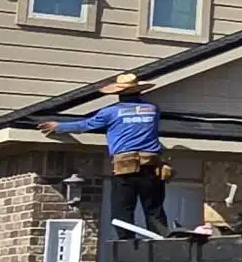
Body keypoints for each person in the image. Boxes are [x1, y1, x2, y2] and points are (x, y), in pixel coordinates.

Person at [40, 74, 170, 232]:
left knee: (123, 211)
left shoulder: (110, 112)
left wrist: (59, 127)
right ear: (139, 91)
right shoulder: (153, 109)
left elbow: (85, 125)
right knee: (154, 210)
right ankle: (160, 244)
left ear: (118, 93)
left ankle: (125, 244)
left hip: (125, 167)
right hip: (152, 167)